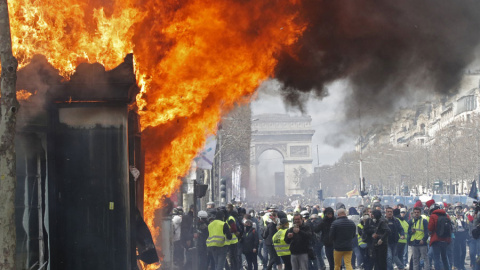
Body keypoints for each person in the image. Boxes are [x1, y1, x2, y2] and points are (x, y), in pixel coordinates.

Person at [428, 202, 452, 270]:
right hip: (446, 240)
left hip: (436, 239)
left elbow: (430, 228)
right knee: (444, 257)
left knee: (437, 258)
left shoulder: (433, 216)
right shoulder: (446, 215)